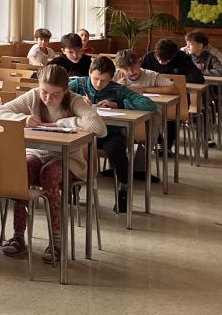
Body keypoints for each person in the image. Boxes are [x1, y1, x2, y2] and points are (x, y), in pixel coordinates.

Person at [0, 65, 105, 265]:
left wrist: (61, 123)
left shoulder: (74, 100)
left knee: (49, 173)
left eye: (55, 95)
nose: (47, 98)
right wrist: (24, 119)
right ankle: (18, 235)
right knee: (23, 170)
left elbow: (99, 127)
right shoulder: (34, 95)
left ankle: (56, 241)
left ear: (65, 91)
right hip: (38, 153)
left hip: (68, 160)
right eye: (44, 92)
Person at [68, 56, 159, 214]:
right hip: (81, 132)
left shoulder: (118, 90)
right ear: (89, 73)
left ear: (111, 78)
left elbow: (149, 105)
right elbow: (58, 96)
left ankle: (124, 188)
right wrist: (75, 100)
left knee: (116, 148)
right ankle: (73, 187)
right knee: (74, 149)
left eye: (104, 80)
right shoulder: (78, 84)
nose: (98, 84)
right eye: (95, 79)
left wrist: (119, 104)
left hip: (109, 134)